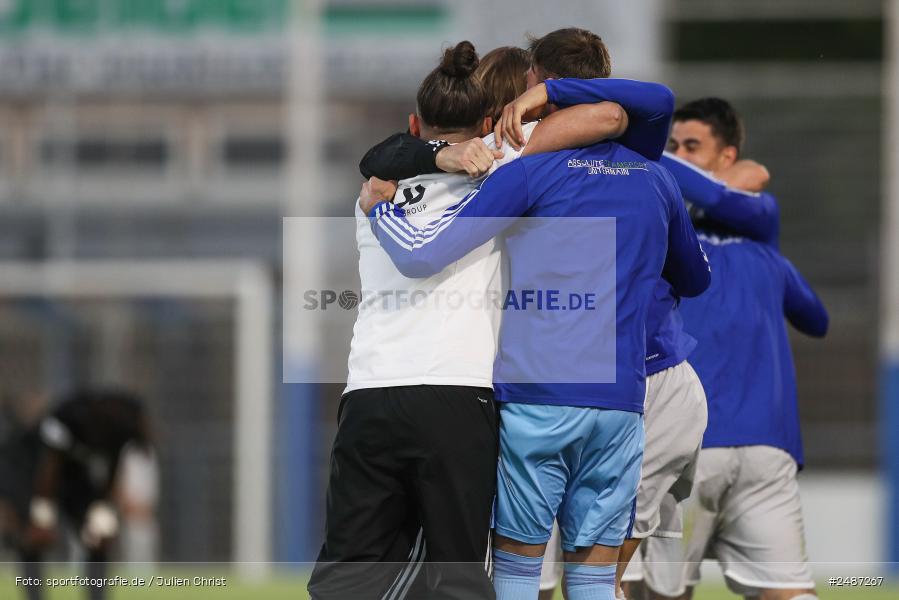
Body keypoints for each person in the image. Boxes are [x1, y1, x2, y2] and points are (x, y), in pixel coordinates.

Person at [308, 39, 672, 600]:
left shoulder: (378, 189)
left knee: (351, 576)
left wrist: (415, 174)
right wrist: (544, 98)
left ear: (413, 123)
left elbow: (376, 159)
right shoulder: (505, 164)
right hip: (461, 395)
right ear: (488, 121)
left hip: (370, 394)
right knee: (457, 578)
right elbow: (618, 113)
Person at [637, 98, 828, 600]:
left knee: (660, 591)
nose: (679, 154)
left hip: (693, 444)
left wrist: (640, 149)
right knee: (788, 591)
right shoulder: (763, 242)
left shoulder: (663, 232)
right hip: (769, 444)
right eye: (672, 145)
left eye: (691, 146)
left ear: (727, 155)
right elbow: (816, 318)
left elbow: (714, 201)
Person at [0, 388, 151, 600]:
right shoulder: (74, 416)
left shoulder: (119, 436)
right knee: (32, 541)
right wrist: (42, 516)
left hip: (75, 480)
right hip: (30, 475)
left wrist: (104, 516)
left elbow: (110, 475)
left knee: (99, 538)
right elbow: (48, 468)